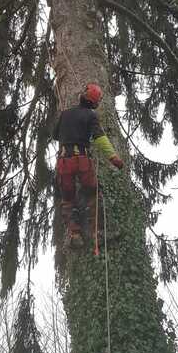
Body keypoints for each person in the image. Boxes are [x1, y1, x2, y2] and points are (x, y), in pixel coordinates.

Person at [54, 83, 123, 248]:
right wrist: (113, 158)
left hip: (64, 161)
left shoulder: (64, 114)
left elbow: (55, 135)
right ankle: (98, 233)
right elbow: (99, 137)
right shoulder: (91, 116)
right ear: (94, 103)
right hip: (82, 160)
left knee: (67, 199)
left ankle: (75, 234)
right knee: (93, 194)